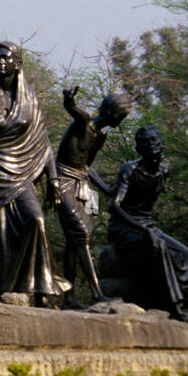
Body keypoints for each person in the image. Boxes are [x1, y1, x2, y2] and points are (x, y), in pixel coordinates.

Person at [0, 42, 69, 305]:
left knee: (36, 220)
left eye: (6, 58)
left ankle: (38, 287)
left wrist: (53, 179)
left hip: (21, 174)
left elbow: (43, 142)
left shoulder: (28, 97)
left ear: (17, 64)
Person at [98, 126, 188, 322]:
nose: (152, 149)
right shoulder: (129, 170)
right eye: (146, 145)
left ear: (162, 146)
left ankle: (184, 305)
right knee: (158, 247)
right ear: (138, 150)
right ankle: (175, 308)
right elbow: (114, 207)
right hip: (123, 228)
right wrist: (143, 230)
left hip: (148, 226)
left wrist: (148, 229)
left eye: (155, 144)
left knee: (187, 255)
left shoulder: (164, 170)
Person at [53, 87, 131, 302]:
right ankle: (97, 293)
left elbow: (87, 167)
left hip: (83, 184)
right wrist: (69, 100)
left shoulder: (101, 136)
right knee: (81, 233)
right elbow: (72, 109)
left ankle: (68, 298)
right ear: (112, 112)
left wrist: (106, 190)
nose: (121, 121)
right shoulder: (85, 122)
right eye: (122, 116)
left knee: (74, 241)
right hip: (63, 180)